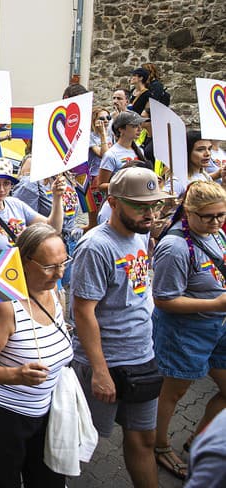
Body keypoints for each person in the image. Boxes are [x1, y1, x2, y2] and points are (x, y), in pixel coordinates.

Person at [71, 167, 170, 488]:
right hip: (103, 364)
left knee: (143, 439)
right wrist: (100, 371)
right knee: (78, 443)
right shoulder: (95, 247)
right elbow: (83, 312)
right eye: (140, 205)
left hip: (142, 359)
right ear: (113, 202)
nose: (150, 213)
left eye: (154, 205)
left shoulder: (141, 233)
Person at [0, 223, 74, 487]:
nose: (58, 274)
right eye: (48, 266)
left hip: (44, 413)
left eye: (63, 263)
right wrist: (16, 375)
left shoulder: (55, 291)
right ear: (24, 262)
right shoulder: (3, 307)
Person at [150, 181, 226, 480]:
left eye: (221, 214)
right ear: (189, 212)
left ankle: (200, 440)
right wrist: (216, 304)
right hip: (184, 332)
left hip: (217, 328)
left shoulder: (217, 234)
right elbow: (164, 299)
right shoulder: (175, 247)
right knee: (174, 393)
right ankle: (158, 445)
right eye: (208, 216)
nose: (217, 222)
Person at [97, 111, 145, 193]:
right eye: (134, 126)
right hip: (119, 203)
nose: (140, 129)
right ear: (121, 129)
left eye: (140, 125)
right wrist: (124, 185)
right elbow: (101, 186)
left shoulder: (140, 151)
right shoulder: (111, 155)